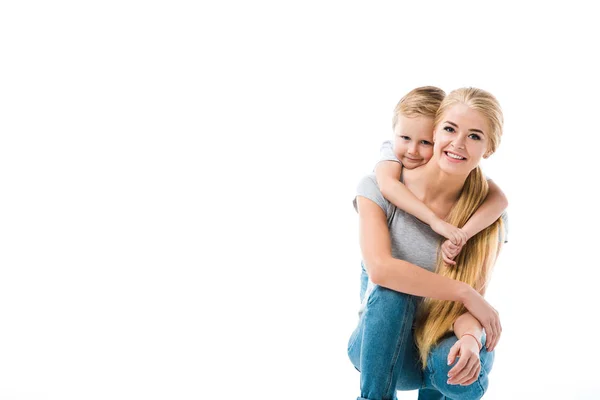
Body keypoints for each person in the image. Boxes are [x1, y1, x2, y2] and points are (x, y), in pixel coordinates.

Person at [347, 87, 508, 400]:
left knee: (458, 356)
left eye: (475, 136)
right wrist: (465, 291)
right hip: (380, 344)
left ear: (488, 148)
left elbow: (467, 311)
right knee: (394, 289)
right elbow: (381, 271)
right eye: (450, 129)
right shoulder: (379, 186)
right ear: (436, 130)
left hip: (438, 343)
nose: (458, 143)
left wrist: (472, 340)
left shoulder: (488, 215)